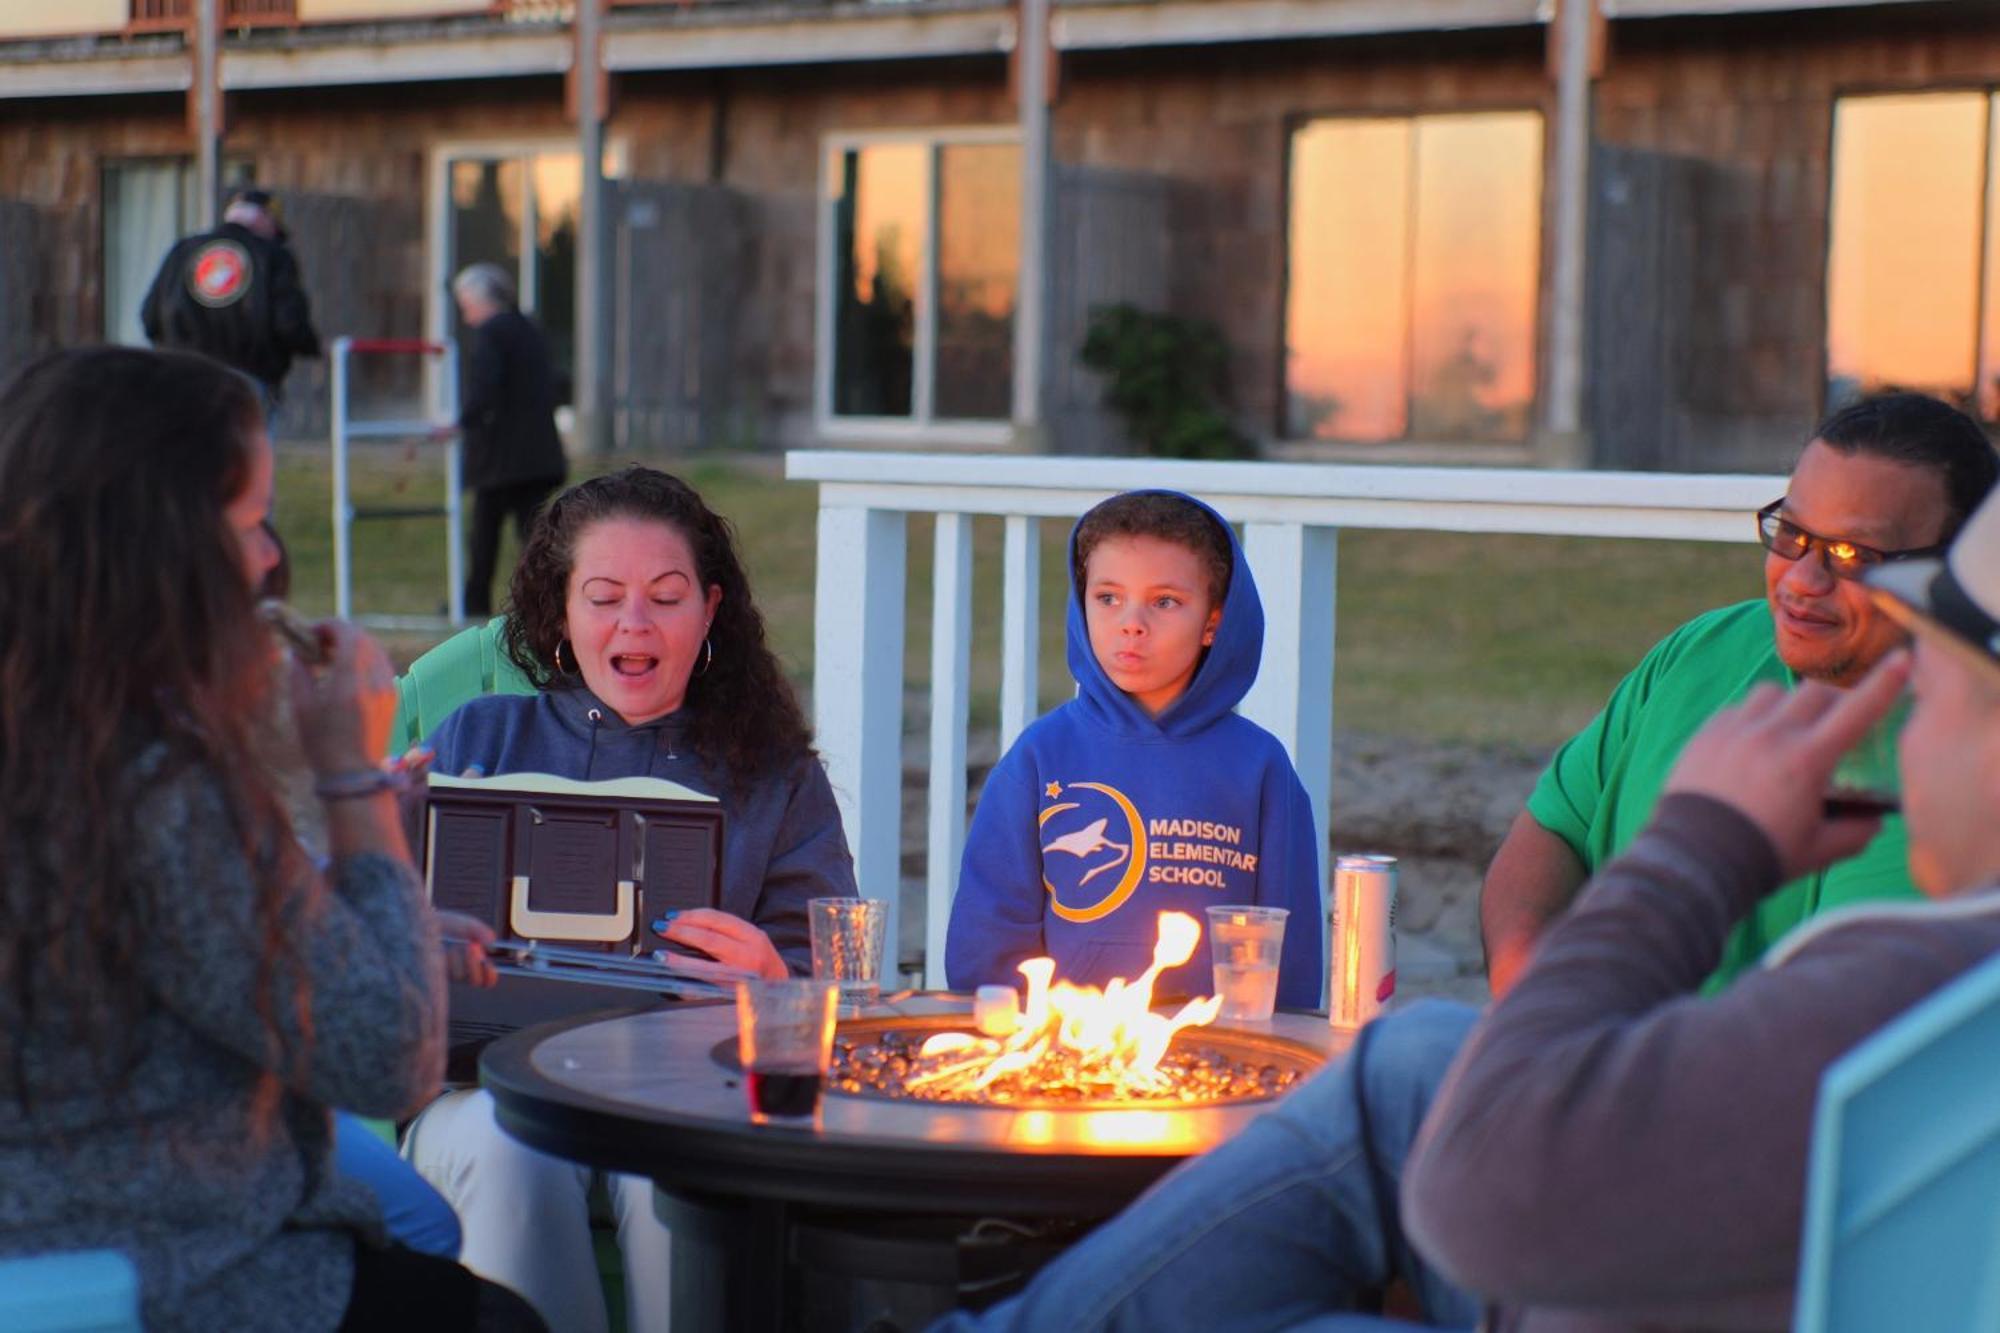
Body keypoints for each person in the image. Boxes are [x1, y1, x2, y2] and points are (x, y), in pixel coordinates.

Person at [935, 481, 2000, 1333]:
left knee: (1393, 1086)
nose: (1903, 732)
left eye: (1929, 690)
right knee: (1402, 1073)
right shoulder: (1944, 977)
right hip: (1704, 1268)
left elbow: (1490, 1190)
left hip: (1608, 1263)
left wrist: (1698, 849)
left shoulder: (1920, 987)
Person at [0, 347, 539, 1331]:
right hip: (152, 1266)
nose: (265, 560)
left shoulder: (56, 736)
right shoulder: (152, 781)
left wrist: (352, 917)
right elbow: (388, 1064)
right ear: (159, 546)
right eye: (249, 522)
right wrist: (354, 779)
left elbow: (165, 941)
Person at [401, 466, 858, 1333]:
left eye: (666, 596)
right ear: (562, 613)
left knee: (670, 1170)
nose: (634, 623)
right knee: (510, 1152)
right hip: (485, 1086)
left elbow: (832, 974)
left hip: (684, 1088)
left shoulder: (774, 777)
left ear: (711, 608)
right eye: (604, 596)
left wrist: (774, 981)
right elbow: (367, 941)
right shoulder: (477, 738)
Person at [1481, 393, 1998, 995]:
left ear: (1951, 570)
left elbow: (1817, 1039)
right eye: (1793, 534)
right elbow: (1554, 833)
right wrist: (1525, 984)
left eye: (1853, 555)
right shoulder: (1704, 650)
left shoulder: (1964, 766)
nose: (1803, 580)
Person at [944, 489, 1324, 1007]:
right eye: (1108, 598)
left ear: (1213, 622)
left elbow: (1290, 951)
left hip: (1219, 1059)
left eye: (1165, 601)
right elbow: (988, 935)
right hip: (1063, 1058)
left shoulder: (1260, 767)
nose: (1132, 623)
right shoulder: (1041, 754)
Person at [451, 262, 568, 619]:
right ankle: (545, 604)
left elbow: (485, 389)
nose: (467, 317)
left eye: (466, 307)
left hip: (499, 458)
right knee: (536, 538)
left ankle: (473, 606)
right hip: (540, 454)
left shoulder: (491, 334)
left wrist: (461, 422)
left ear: (481, 302)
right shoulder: (530, 328)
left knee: (484, 537)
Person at [141, 188, 321, 412]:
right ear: (264, 218)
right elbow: (290, 324)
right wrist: (312, 347)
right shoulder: (273, 256)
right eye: (275, 228)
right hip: (247, 382)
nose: (275, 236)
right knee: (244, 447)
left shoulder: (183, 251)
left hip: (183, 379)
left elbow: (149, 319)